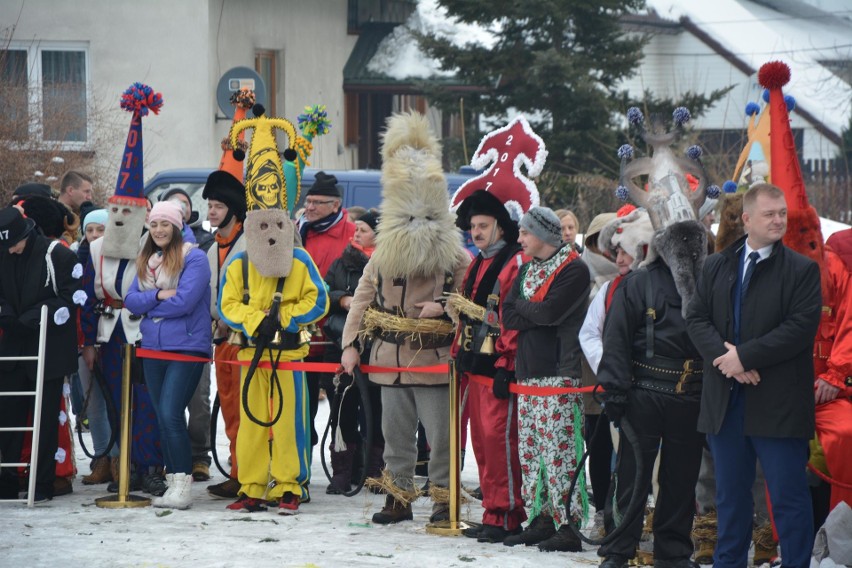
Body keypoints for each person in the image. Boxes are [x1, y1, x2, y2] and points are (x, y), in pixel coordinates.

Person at [340, 111, 470, 526]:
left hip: (433, 361)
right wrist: (349, 344)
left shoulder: (454, 257)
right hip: (389, 361)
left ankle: (442, 500)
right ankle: (398, 497)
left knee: (441, 439)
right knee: (395, 437)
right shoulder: (383, 256)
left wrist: (446, 307)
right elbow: (362, 298)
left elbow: (472, 301)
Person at [686, 183, 821, 568]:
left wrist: (743, 357)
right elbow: (696, 318)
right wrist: (725, 359)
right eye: (770, 214)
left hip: (778, 403)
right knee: (729, 497)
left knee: (787, 497)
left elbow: (799, 329)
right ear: (747, 220)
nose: (779, 220)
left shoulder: (801, 270)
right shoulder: (715, 265)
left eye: (782, 213)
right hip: (726, 403)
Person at [219, 102, 329, 514]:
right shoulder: (239, 263)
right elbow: (225, 303)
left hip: (289, 353)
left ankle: (289, 485)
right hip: (250, 351)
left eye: (276, 224)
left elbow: (317, 298)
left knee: (289, 423)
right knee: (251, 423)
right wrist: (252, 320)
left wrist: (282, 318)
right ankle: (252, 485)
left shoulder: (300, 261)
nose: (268, 233)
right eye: (260, 225)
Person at [80, 84, 165, 496]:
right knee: (113, 401)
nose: (119, 218)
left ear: (143, 214)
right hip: (108, 332)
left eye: (127, 212)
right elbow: (86, 295)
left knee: (147, 404)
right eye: (115, 210)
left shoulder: (156, 248)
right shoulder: (93, 248)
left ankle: (150, 466)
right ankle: (118, 465)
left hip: (146, 333)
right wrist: (88, 341)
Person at [501, 206, 590, 552]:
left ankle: (569, 523)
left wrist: (528, 309)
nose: (519, 239)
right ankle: (542, 517)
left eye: (524, 233)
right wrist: (530, 309)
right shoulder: (526, 271)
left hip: (559, 373)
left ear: (542, 234)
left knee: (561, 452)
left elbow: (550, 313)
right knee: (533, 450)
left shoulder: (574, 269)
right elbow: (508, 315)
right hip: (528, 374)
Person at [450, 188, 528, 544]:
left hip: (498, 368)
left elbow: (510, 317)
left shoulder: (514, 262)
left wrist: (506, 363)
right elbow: (466, 314)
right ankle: (492, 513)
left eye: (483, 226)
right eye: (473, 227)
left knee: (501, 444)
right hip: (474, 365)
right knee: (482, 446)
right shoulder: (477, 262)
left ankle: (508, 515)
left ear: (500, 227)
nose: (476, 232)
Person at [124, 201, 211, 509]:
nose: (159, 230)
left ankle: (183, 483)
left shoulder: (195, 258)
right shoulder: (147, 259)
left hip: (186, 347)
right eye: (154, 225)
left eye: (165, 224)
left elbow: (186, 302)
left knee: (172, 413)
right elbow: (131, 301)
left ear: (176, 227)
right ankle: (173, 480)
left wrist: (149, 306)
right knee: (162, 416)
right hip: (152, 347)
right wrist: (159, 295)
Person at [579, 207, 653, 532]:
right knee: (622, 463)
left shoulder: (662, 288)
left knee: (659, 469)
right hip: (620, 389)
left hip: (656, 391)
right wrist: (610, 367)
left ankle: (657, 524)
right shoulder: (609, 290)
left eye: (625, 251)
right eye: (617, 251)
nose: (619, 258)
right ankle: (620, 525)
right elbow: (589, 333)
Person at [0, 206, 81, 502]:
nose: (10, 251)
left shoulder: (55, 254)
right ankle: (7, 478)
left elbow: (71, 294)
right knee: (8, 416)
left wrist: (37, 315)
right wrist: (6, 314)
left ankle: (42, 482)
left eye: (13, 244)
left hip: (48, 347)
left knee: (45, 420)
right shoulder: (3, 253)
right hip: (12, 347)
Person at [323, 210, 384, 494]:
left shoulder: (388, 264)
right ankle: (343, 471)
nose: (356, 233)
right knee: (343, 411)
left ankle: (374, 471)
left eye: (363, 229)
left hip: (378, 349)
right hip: (341, 343)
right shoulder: (342, 262)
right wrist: (344, 299)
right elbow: (325, 292)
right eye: (356, 228)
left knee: (376, 411)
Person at [296, 171, 356, 456]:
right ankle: (302, 457)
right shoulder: (299, 229)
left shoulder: (351, 233)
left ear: (335, 205)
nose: (309, 207)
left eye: (317, 202)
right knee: (302, 400)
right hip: (302, 328)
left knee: (341, 402)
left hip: (335, 331)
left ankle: (345, 462)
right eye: (308, 201)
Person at [203, 170, 249, 500]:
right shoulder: (210, 249)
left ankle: (254, 474)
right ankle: (238, 471)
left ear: (233, 209)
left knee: (251, 410)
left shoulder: (252, 243)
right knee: (231, 409)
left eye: (218, 206)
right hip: (222, 341)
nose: (211, 212)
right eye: (210, 206)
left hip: (248, 340)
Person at [75, 209, 116, 485]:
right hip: (84, 338)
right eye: (89, 230)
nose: (93, 236)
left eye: (99, 230)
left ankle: (118, 459)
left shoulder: (116, 257)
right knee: (94, 403)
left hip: (113, 334)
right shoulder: (77, 261)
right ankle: (101, 457)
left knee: (116, 399)